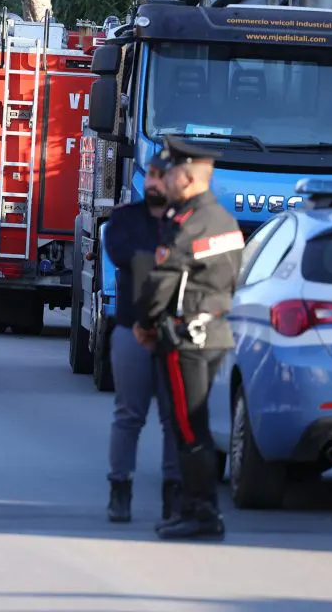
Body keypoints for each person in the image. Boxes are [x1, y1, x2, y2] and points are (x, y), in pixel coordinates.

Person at [132, 135, 243, 541]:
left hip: (186, 337)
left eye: (174, 170)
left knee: (188, 427)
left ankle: (201, 512)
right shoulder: (222, 219)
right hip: (210, 333)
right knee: (190, 425)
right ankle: (195, 508)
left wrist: (145, 323)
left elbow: (163, 280)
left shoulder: (191, 221)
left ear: (191, 175)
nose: (169, 177)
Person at [102, 149, 181, 524]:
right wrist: (168, 261)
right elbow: (125, 255)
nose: (152, 181)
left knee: (173, 418)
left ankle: (173, 495)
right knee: (129, 415)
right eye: (149, 174)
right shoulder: (124, 219)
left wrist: (157, 260)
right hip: (132, 331)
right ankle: (120, 490)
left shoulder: (187, 221)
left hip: (176, 332)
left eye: (160, 175)